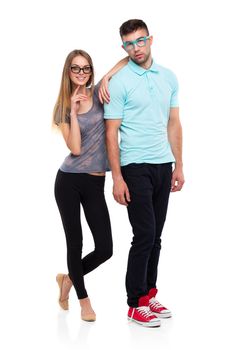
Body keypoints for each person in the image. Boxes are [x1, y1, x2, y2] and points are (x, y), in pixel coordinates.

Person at [104, 19, 185, 327]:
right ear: (123, 47)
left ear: (151, 40)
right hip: (134, 166)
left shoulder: (169, 77)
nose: (135, 48)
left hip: (163, 165)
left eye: (140, 41)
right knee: (145, 234)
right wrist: (117, 177)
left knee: (156, 237)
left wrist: (179, 164)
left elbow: (174, 123)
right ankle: (135, 302)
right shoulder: (119, 82)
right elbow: (111, 133)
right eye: (128, 44)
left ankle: (149, 294)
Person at [53, 49, 128, 322]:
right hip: (69, 181)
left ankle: (69, 279)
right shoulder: (63, 107)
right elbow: (75, 148)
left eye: (86, 69)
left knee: (105, 248)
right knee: (75, 242)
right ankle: (84, 301)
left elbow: (124, 62)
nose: (81, 73)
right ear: (68, 72)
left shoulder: (98, 92)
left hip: (96, 182)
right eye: (76, 69)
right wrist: (73, 110)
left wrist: (107, 77)